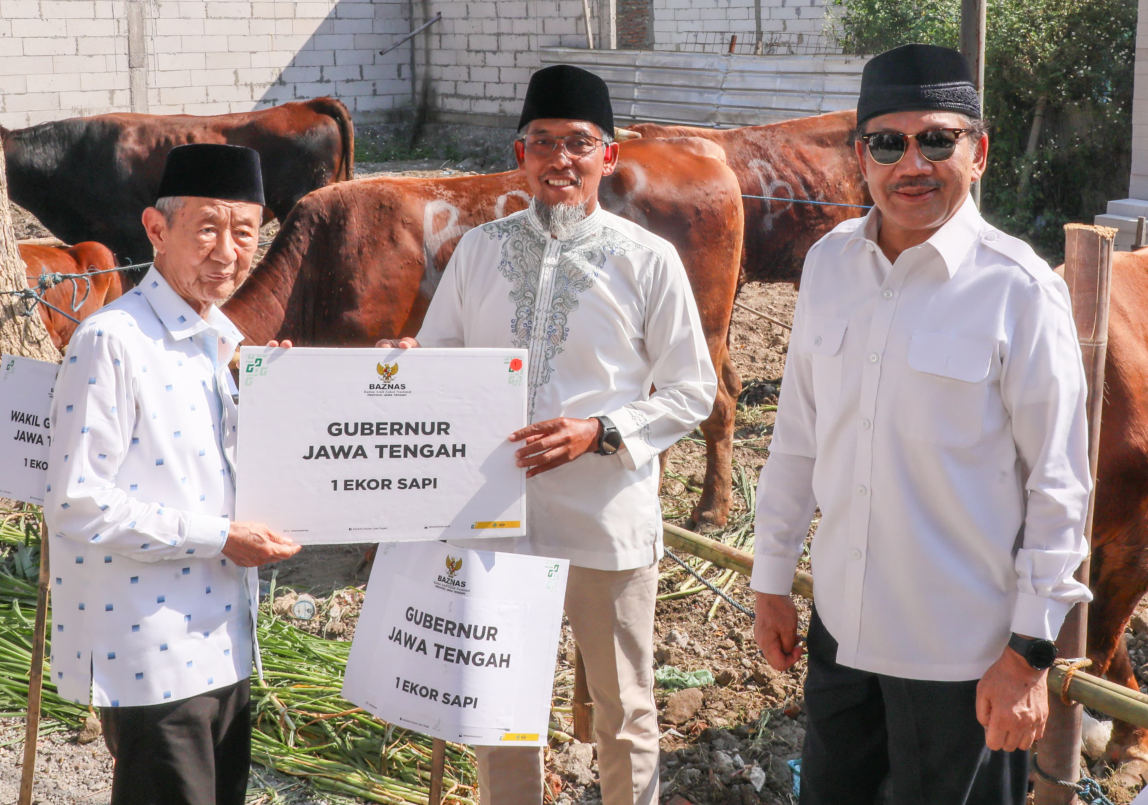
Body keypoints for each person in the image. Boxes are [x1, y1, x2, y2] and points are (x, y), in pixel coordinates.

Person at [750, 43, 1093, 805]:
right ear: (859, 156)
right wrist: (771, 577)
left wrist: (1028, 655)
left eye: (938, 139)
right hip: (842, 641)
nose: (913, 163)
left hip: (966, 667)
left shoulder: (1019, 290)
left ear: (979, 151)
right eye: (888, 142)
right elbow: (798, 433)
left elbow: (1061, 487)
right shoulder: (830, 264)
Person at [378, 64, 717, 804]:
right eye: (544, 143)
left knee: (624, 709)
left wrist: (601, 429)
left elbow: (694, 388)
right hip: (500, 523)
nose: (561, 159)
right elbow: (440, 361)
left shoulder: (646, 259)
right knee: (502, 712)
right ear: (520, 153)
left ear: (609, 156)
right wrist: (409, 365)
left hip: (605, 522)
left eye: (579, 143)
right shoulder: (477, 250)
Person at [45, 143, 300, 805]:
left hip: (226, 648)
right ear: (157, 230)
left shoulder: (221, 343)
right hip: (151, 657)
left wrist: (307, 398)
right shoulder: (113, 341)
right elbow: (75, 501)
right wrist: (218, 537)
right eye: (207, 228)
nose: (228, 250)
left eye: (245, 232)